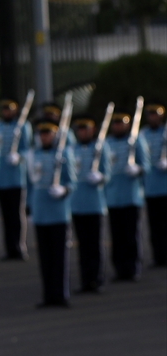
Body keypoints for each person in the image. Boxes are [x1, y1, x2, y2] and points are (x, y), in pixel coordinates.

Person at [26, 119, 76, 307]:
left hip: (58, 212)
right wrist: (29, 208)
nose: (44, 137)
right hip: (40, 212)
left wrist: (63, 190)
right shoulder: (32, 156)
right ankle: (48, 295)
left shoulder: (63, 155)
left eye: (48, 133)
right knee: (45, 259)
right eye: (42, 134)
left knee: (59, 257)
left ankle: (61, 294)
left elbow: (72, 182)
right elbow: (30, 185)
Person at [104, 111, 149, 282]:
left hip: (131, 196)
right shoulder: (106, 143)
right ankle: (119, 268)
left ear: (128, 124)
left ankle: (132, 267)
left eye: (121, 123)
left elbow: (146, 166)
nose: (117, 126)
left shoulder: (135, 142)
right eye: (115, 123)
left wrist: (137, 169)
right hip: (113, 197)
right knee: (117, 236)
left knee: (131, 235)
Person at [70, 116, 109, 293]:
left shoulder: (100, 148)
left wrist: (100, 177)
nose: (82, 132)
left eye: (85, 129)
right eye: (79, 129)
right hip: (77, 204)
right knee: (82, 246)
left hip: (94, 204)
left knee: (94, 245)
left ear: (92, 130)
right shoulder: (71, 150)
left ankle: (97, 279)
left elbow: (108, 172)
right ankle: (86, 279)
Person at [0, 98, 32, 260]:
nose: (6, 112)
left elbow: (28, 150)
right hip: (1, 178)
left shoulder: (22, 126)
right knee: (5, 216)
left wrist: (19, 156)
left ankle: (19, 246)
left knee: (16, 215)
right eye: (4, 109)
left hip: (16, 178)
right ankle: (9, 247)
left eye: (9, 109)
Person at [140, 103, 166, 266]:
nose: (153, 117)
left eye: (156, 114)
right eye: (150, 114)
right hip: (151, 187)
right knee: (154, 226)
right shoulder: (142, 134)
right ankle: (158, 256)